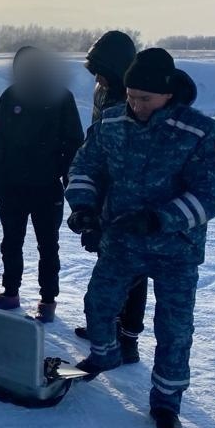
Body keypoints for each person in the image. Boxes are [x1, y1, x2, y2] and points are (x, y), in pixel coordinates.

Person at [65, 48, 215, 428]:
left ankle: (165, 402)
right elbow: (85, 167)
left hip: (176, 248)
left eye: (145, 98)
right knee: (98, 304)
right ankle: (104, 356)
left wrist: (160, 218)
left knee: (174, 328)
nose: (136, 105)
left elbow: (213, 192)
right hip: (122, 241)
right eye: (131, 95)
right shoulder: (111, 123)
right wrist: (85, 210)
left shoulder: (199, 132)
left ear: (168, 94)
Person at [0, 46, 83, 321]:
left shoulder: (61, 98)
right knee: (11, 242)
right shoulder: (10, 97)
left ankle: (48, 300)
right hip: (12, 187)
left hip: (47, 187)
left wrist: (71, 183)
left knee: (48, 245)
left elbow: (74, 143)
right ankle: (10, 292)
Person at [74, 30, 146, 363]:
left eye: (102, 71)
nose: (98, 78)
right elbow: (97, 138)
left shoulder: (137, 99)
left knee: (133, 265)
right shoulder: (103, 91)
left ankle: (128, 338)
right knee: (108, 261)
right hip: (104, 187)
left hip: (131, 194)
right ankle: (104, 324)